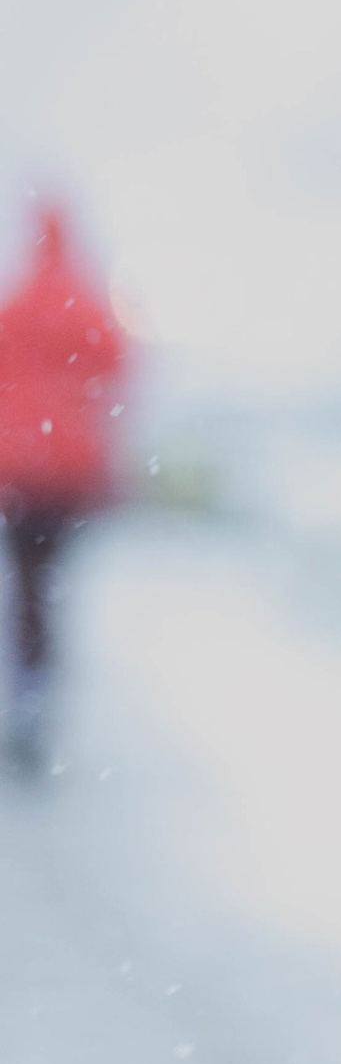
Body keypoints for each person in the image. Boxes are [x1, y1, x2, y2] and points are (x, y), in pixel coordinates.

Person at [0, 195, 128, 777]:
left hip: (17, 474)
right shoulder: (88, 304)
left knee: (25, 582)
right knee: (49, 583)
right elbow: (119, 368)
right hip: (68, 475)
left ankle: (28, 682)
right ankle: (40, 684)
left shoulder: (16, 302)